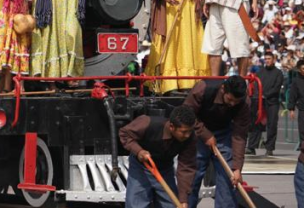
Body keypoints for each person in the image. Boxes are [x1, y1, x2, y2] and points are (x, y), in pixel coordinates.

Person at [183, 75, 251, 208]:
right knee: (192, 176)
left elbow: (239, 135)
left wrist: (237, 168)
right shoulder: (203, 88)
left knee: (229, 177)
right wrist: (205, 134)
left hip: (224, 133)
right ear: (223, 89)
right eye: (230, 99)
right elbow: (187, 114)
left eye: (236, 102)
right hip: (197, 130)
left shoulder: (244, 102)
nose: (232, 104)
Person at [119, 105, 198, 208]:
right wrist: (139, 151)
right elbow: (124, 133)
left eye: (190, 131)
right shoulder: (147, 123)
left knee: (171, 205)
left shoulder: (190, 139)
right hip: (141, 167)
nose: (187, 135)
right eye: (183, 132)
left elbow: (186, 167)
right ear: (172, 127)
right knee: (136, 205)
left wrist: (183, 199)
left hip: (165, 169)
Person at [247, 52, 285, 156]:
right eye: (266, 59)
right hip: (259, 102)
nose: (267, 60)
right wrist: (258, 97)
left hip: (272, 103)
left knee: (272, 125)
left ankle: (269, 148)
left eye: (269, 58)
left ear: (273, 59)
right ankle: (251, 147)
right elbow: (255, 85)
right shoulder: (260, 72)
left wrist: (265, 95)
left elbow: (277, 88)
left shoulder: (278, 73)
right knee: (256, 124)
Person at [289, 59, 304, 151]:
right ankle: (302, 145)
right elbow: (293, 94)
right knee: (302, 129)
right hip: (302, 108)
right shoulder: (296, 80)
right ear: (299, 69)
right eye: (303, 68)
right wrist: (291, 109)